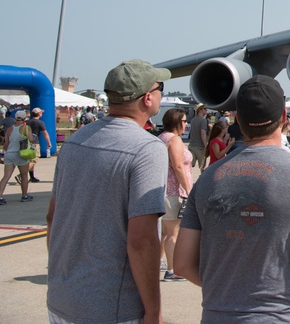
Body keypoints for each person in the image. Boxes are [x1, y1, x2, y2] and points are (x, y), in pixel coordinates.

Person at [174, 75, 290, 320]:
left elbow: (182, 263)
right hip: (278, 314)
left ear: (238, 119)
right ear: (283, 118)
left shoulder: (207, 178)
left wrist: (223, 292)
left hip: (217, 314)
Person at [47, 59, 170, 323]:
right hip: (112, 305)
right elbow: (142, 240)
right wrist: (153, 310)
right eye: (161, 87)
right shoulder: (147, 149)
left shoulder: (75, 141)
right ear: (148, 98)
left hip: (61, 299)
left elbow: (52, 217)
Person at [159, 108, 193, 282]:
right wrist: (188, 189)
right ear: (176, 122)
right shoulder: (174, 140)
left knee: (166, 232)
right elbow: (178, 166)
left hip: (164, 190)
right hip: (175, 191)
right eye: (184, 121)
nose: (186, 124)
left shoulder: (161, 138)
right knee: (174, 232)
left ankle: (161, 261)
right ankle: (172, 271)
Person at [0, 109, 35, 204]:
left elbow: (6, 144)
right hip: (21, 154)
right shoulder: (26, 128)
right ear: (24, 118)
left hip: (9, 153)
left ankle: (0, 196)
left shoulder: (9, 129)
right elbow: (31, 139)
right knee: (24, 176)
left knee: (6, 176)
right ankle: (24, 195)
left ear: (15, 118)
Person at [26, 107, 50, 181]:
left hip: (27, 143)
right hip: (35, 142)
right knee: (34, 159)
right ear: (39, 114)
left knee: (30, 160)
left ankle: (32, 177)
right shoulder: (40, 123)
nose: (42, 114)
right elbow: (45, 133)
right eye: (41, 113)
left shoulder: (27, 122)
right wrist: (49, 143)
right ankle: (22, 175)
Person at [188, 104, 209, 171]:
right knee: (202, 167)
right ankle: (203, 181)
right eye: (205, 109)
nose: (206, 110)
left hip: (191, 145)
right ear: (200, 110)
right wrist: (206, 145)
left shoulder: (193, 120)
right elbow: (203, 134)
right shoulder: (203, 120)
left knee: (189, 166)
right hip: (200, 147)